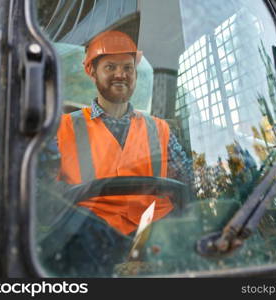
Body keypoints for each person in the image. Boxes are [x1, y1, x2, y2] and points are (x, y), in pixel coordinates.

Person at [55, 30, 193, 236]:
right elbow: (45, 192)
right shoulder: (62, 129)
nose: (121, 74)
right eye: (110, 67)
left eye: (128, 67)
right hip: (88, 234)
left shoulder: (160, 129)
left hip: (156, 234)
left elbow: (188, 181)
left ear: (135, 74)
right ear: (92, 72)